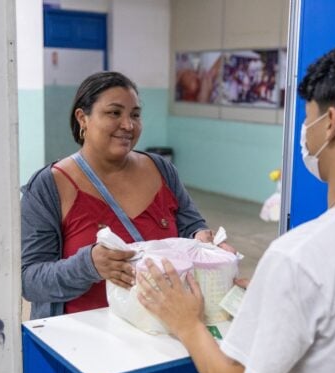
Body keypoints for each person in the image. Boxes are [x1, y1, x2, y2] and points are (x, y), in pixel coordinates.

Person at [137, 41, 335, 373]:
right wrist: (275, 297)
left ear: (330, 124)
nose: (305, 131)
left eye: (308, 117)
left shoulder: (299, 256)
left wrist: (185, 323)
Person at [21, 71, 224, 320]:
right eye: (114, 113)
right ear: (82, 118)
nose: (128, 125)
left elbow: (191, 226)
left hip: (160, 331)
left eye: (135, 115)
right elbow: (29, 280)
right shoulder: (49, 186)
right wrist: (89, 265)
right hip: (81, 342)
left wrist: (200, 238)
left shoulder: (161, 170)